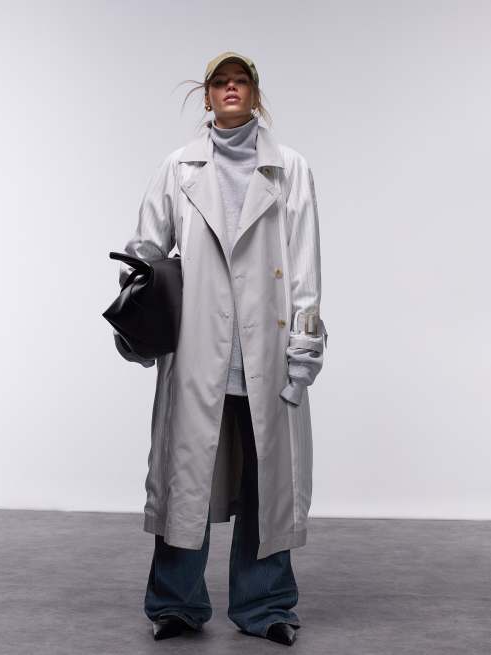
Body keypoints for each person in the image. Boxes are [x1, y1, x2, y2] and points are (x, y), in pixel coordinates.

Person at [113, 51, 328, 646]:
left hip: (268, 352)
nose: (231, 89)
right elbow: (145, 248)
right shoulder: (178, 167)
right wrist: (139, 299)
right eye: (220, 82)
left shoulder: (289, 169)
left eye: (241, 81)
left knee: (267, 485)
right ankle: (176, 603)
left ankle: (266, 606)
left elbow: (305, 263)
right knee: (187, 478)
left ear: (255, 93)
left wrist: (305, 346)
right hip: (198, 350)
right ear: (206, 95)